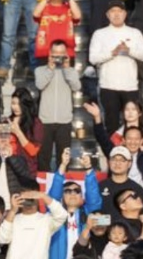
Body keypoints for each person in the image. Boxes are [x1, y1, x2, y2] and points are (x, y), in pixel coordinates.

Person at [89, 0, 143, 134]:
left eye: (119, 11)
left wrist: (130, 51)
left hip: (130, 86)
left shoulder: (135, 33)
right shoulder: (99, 34)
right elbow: (93, 58)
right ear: (107, 14)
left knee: (133, 123)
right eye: (113, 11)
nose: (116, 14)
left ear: (125, 14)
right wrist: (112, 53)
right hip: (108, 86)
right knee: (111, 124)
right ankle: (112, 147)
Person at [35, 40, 82, 172]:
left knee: (64, 159)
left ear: (66, 54)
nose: (58, 57)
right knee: (43, 158)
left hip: (64, 121)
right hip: (45, 121)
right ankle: (43, 182)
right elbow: (40, 85)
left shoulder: (71, 71)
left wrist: (66, 69)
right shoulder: (40, 70)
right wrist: (50, 69)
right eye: (55, 53)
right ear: (50, 53)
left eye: (61, 54)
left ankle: (63, 182)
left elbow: (76, 86)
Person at [0, 128, 40, 212]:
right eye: (0, 138)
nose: (4, 141)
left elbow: (25, 175)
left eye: (6, 138)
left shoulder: (19, 158)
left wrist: (11, 157)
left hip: (12, 206)